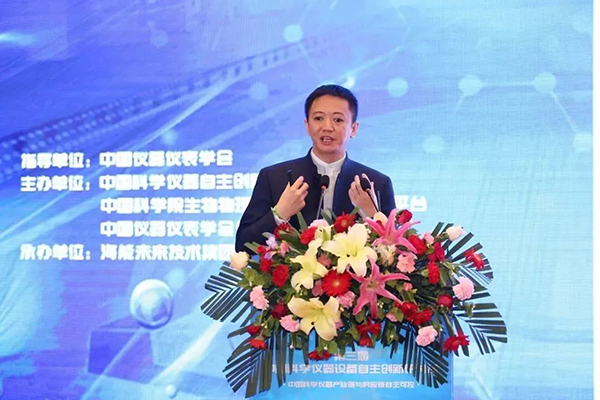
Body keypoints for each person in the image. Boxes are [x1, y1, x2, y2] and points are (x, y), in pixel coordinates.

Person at [235, 84, 396, 252]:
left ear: (353, 129)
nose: (327, 127)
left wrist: (372, 215)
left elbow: (398, 253)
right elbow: (243, 245)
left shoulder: (376, 183)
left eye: (338, 120)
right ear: (307, 125)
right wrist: (279, 214)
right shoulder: (274, 178)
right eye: (318, 118)